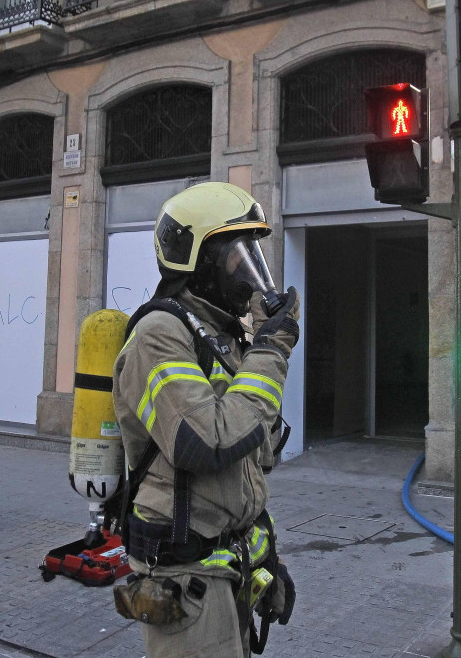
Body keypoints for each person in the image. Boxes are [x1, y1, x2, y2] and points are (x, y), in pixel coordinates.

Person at [111, 182, 297, 658]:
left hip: (228, 565)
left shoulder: (223, 337)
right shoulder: (159, 335)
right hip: (185, 575)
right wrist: (270, 350)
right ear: (198, 262)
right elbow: (205, 443)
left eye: (253, 253)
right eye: (236, 256)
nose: (249, 271)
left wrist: (267, 555)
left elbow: (252, 462)